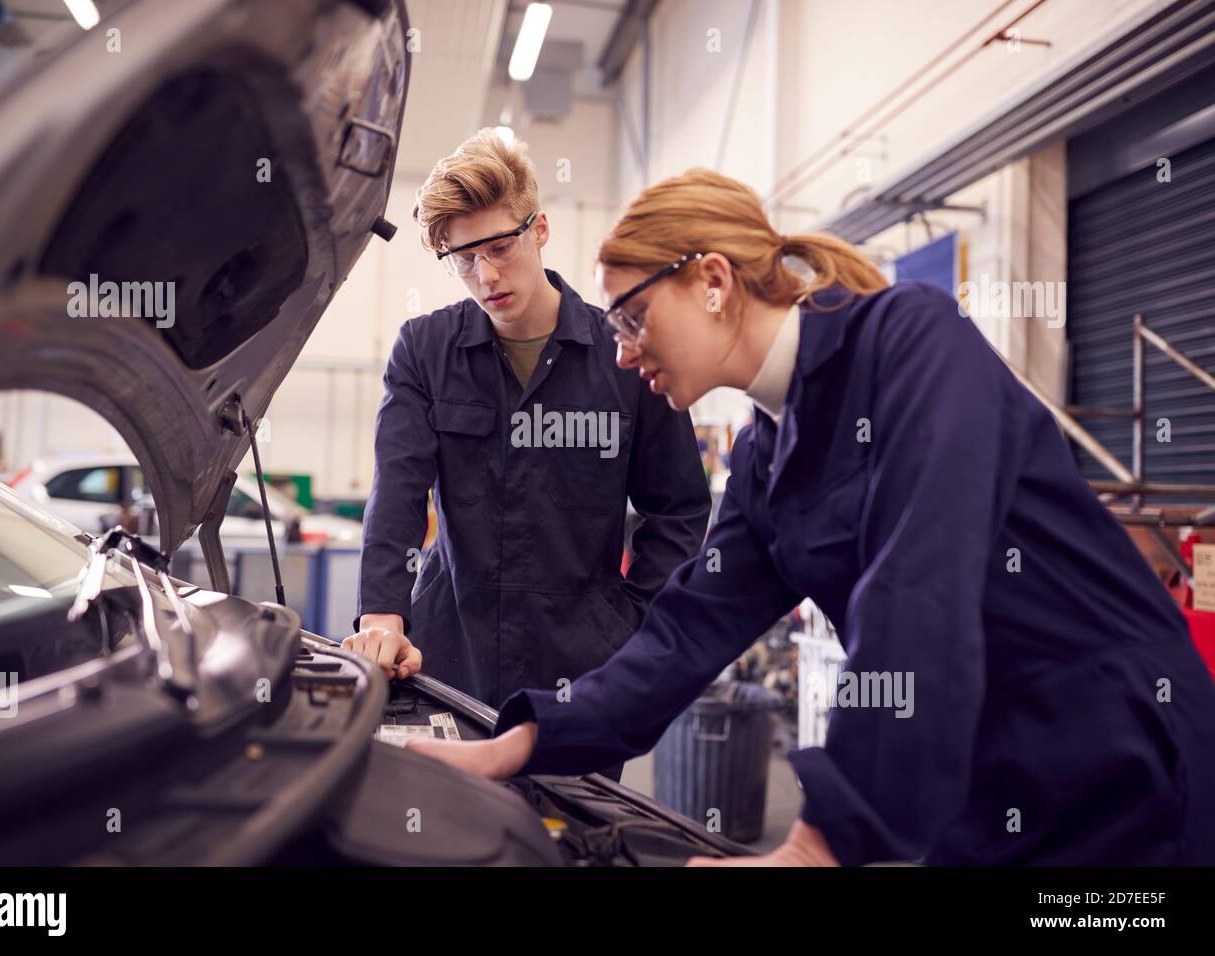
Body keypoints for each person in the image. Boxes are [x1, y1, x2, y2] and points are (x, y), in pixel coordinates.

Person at [399, 167, 1215, 866]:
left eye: (632, 319)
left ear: (712, 281)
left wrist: (819, 842)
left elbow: (917, 584)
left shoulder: (910, 341)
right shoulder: (765, 456)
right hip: (993, 768)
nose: (620, 351)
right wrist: (521, 742)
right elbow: (685, 632)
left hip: (1124, 753)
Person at [344, 131, 711, 761]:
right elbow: (397, 492)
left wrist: (631, 625)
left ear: (538, 229)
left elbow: (677, 508)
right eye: (462, 258)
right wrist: (381, 615)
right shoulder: (424, 352)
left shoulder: (623, 354)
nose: (485, 276)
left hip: (582, 670)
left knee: (567, 841)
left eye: (498, 247)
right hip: (443, 657)